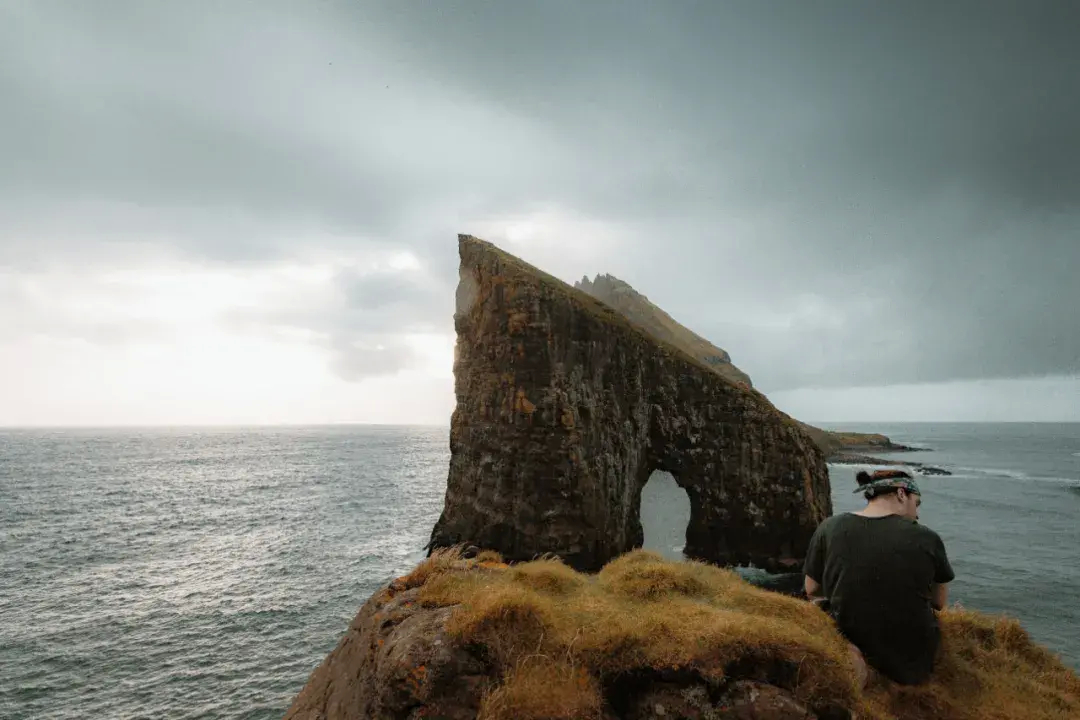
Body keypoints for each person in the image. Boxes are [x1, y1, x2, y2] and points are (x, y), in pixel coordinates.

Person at [803, 468, 955, 687]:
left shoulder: (829, 527)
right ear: (902, 494)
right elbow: (939, 602)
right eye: (917, 503)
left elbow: (811, 589)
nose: (917, 513)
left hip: (848, 635)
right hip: (909, 663)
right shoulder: (927, 537)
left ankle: (860, 663)